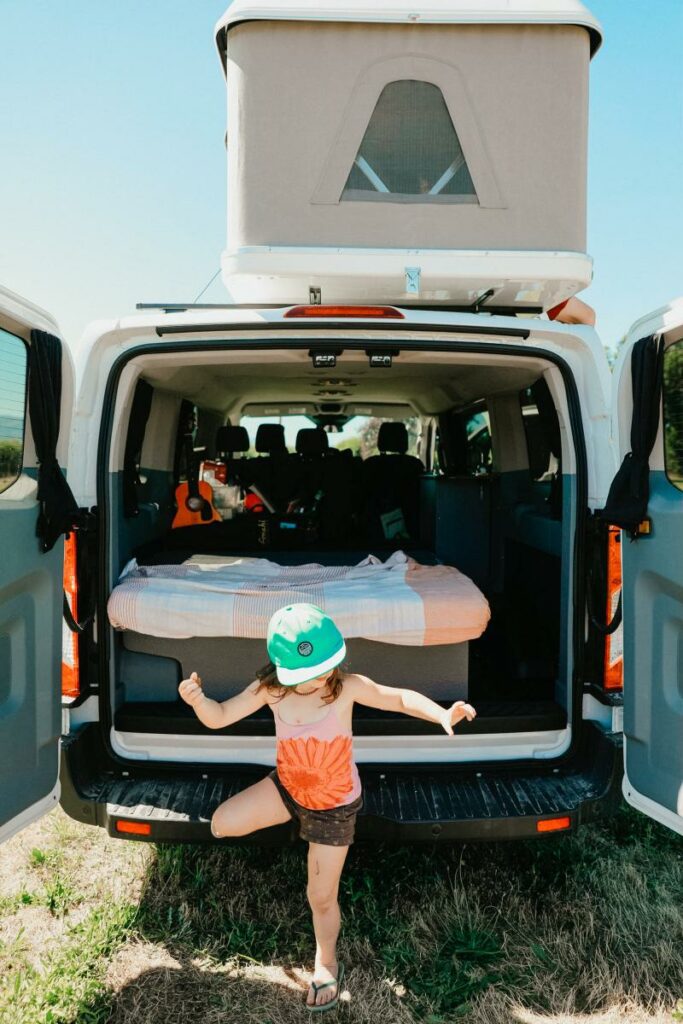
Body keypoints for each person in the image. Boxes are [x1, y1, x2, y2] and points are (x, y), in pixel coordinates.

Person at [178, 602, 477, 1012]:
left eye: (324, 668)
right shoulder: (272, 689)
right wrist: (198, 701)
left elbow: (399, 698)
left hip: (332, 807)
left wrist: (441, 713)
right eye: (305, 674)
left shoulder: (346, 686)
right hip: (288, 786)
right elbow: (220, 716)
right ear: (281, 669)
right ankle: (294, 826)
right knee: (221, 823)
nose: (318, 679)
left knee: (319, 896)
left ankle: (326, 961)